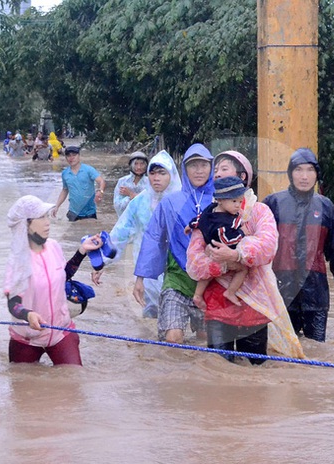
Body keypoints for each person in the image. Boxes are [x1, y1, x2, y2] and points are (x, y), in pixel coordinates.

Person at [186, 150, 304, 363]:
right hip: (218, 303)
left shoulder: (260, 211)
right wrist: (222, 264)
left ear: (241, 176)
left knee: (255, 370)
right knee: (218, 368)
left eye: (224, 168)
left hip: (254, 305)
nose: (217, 174)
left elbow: (268, 246)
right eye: (216, 170)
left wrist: (237, 254)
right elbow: (194, 260)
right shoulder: (208, 215)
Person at [263, 147, 334, 342]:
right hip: (280, 293)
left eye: (310, 170)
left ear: (317, 174)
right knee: (282, 352)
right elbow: (258, 247)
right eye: (299, 170)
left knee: (316, 352)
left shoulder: (326, 208)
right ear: (290, 173)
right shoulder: (273, 203)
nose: (304, 176)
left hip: (315, 295)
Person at [4, 195, 103, 365]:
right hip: (27, 337)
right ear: (25, 224)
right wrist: (28, 315)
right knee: (23, 388)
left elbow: (64, 274)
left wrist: (82, 251)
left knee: (74, 380)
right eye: (41, 217)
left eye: (47, 216)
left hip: (60, 331)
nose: (47, 222)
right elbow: (13, 303)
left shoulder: (53, 246)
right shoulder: (17, 260)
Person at [134, 143, 214, 343]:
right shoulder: (170, 202)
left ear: (211, 168)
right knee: (173, 339)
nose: (198, 170)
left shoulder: (221, 200)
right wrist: (140, 277)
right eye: (193, 165)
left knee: (205, 341)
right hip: (177, 279)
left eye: (203, 165)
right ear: (184, 169)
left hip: (211, 282)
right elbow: (154, 238)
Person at [92, 150, 182, 318]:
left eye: (162, 173)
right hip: (148, 272)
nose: (156, 178)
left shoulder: (183, 201)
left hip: (179, 271)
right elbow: (120, 233)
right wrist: (103, 262)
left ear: (171, 175)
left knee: (178, 325)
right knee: (151, 317)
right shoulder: (140, 202)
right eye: (153, 173)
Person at [188, 176, 249, 310]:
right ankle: (230, 292)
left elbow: (200, 218)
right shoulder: (227, 221)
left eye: (240, 201)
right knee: (243, 269)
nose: (238, 205)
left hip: (208, 252)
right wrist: (243, 234)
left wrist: (190, 225)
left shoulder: (210, 209)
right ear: (220, 200)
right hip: (223, 255)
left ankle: (197, 295)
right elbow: (228, 239)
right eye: (234, 201)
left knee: (207, 274)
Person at [52, 145, 106, 221]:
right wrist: (57, 206)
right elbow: (65, 190)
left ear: (79, 156)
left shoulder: (88, 170)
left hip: (89, 212)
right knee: (73, 232)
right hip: (73, 212)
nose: (71, 158)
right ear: (66, 158)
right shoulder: (65, 173)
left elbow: (101, 181)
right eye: (69, 155)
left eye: (74, 155)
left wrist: (100, 192)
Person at [113, 152, 150, 217]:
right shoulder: (122, 182)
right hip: (126, 221)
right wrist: (129, 198)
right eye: (135, 164)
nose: (139, 167)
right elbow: (118, 206)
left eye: (142, 164)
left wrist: (131, 195)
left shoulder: (150, 182)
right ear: (130, 165)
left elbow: (151, 203)